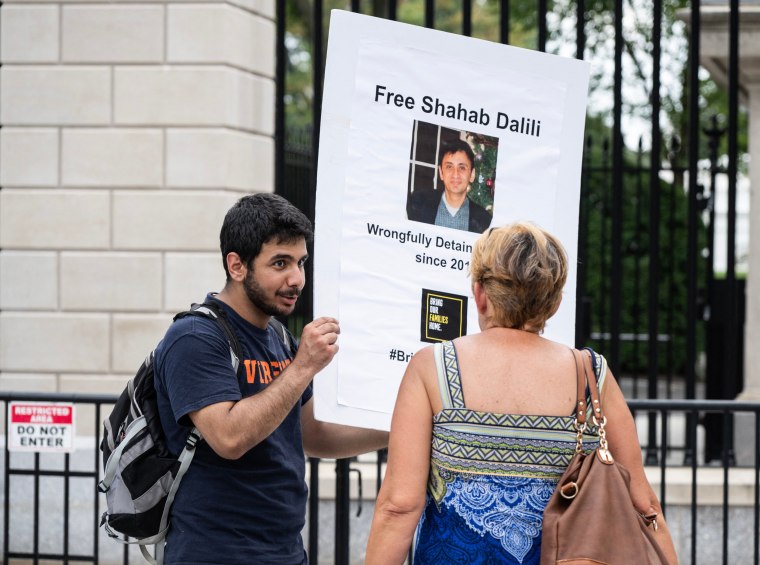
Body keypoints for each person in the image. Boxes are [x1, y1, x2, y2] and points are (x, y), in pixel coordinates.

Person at [365, 222, 678, 564]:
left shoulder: (433, 367)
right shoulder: (591, 374)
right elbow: (643, 504)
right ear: (555, 303)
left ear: (480, 294)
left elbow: (398, 507)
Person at [154, 193, 388, 565]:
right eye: (280, 263)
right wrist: (302, 367)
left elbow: (313, 433)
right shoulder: (195, 337)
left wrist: (399, 429)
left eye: (301, 262)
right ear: (237, 266)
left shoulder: (279, 337)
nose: (296, 279)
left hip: (285, 550)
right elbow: (228, 437)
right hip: (215, 553)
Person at [407, 139, 492, 233]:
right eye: (449, 167)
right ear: (441, 173)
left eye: (462, 167)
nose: (455, 174)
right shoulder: (418, 204)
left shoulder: (485, 221)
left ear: (472, 174)